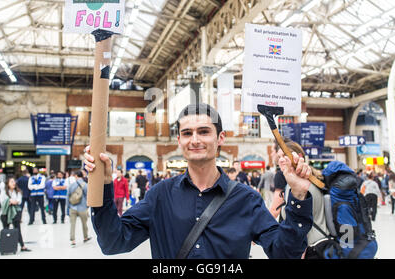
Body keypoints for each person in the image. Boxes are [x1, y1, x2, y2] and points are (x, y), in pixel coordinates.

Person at [84, 103, 313, 258]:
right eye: (187, 133)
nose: (195, 140)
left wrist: (299, 196)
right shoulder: (160, 196)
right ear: (179, 140)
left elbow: (284, 253)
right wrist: (103, 185)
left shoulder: (246, 200)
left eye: (204, 131)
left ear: (220, 137)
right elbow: (113, 242)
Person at [275, 140, 329, 259]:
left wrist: (299, 251)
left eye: (285, 155)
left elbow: (301, 223)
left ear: (298, 156)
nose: (281, 159)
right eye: (279, 157)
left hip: (310, 249)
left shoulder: (296, 185)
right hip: (323, 244)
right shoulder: (314, 179)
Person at [0, 177, 31, 252]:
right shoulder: (3, 192)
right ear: (7, 184)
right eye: (11, 182)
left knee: (17, 229)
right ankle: (6, 246)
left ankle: (22, 246)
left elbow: (19, 201)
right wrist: (11, 201)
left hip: (16, 212)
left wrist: (12, 201)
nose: (14, 183)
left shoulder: (18, 191)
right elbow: (2, 202)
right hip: (5, 213)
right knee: (6, 229)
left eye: (14, 181)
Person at [269, 137, 293, 220]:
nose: (271, 154)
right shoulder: (298, 172)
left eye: (273, 151)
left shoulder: (281, 175)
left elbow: (275, 210)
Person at [68, 171, 91, 247]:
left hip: (72, 207)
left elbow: (67, 197)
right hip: (82, 207)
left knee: (72, 224)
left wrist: (67, 208)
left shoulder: (71, 185)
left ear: (76, 176)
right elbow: (88, 196)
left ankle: (73, 240)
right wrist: (87, 206)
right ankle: (85, 237)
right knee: (84, 223)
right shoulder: (86, 185)